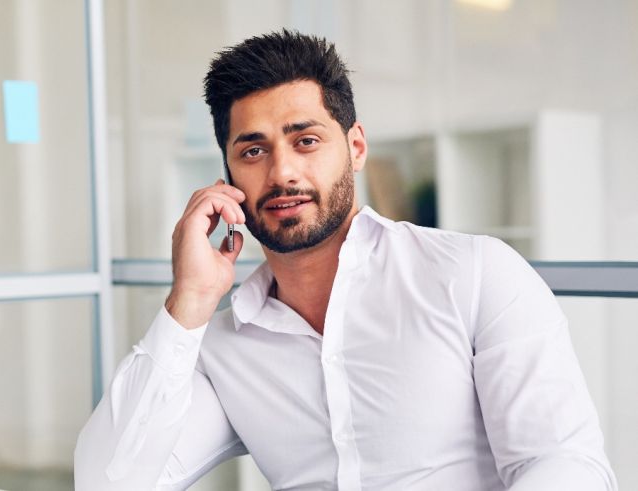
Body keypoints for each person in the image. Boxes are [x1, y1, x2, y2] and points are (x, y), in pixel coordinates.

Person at [74, 30, 617, 491]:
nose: (282, 172)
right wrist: (188, 301)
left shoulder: (473, 275)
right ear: (228, 180)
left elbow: (563, 463)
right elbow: (109, 482)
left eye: (306, 140)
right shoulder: (222, 349)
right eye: (253, 151)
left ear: (356, 148)